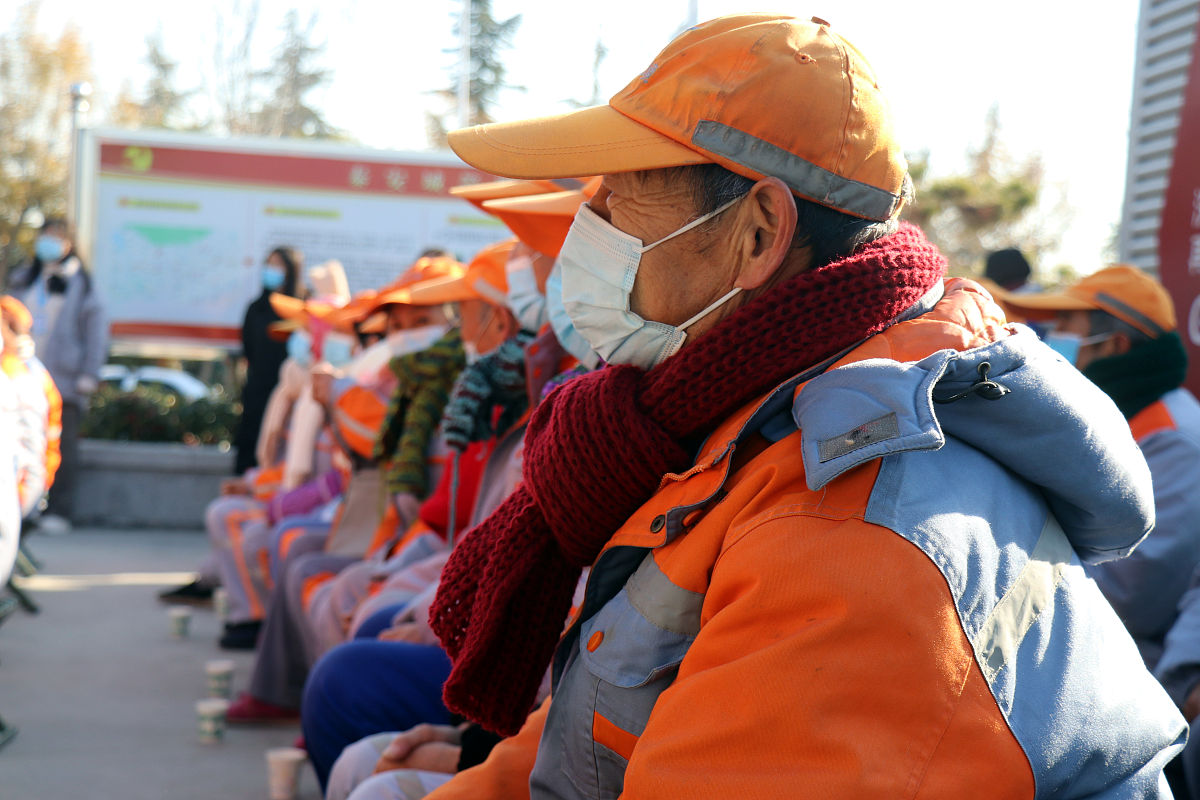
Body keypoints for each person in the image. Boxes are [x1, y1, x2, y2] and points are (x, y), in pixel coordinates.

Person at [417, 14, 1183, 799]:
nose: (590, 228)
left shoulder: (843, 528)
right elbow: (606, 726)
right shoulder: (750, 417)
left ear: (758, 234)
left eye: (620, 198)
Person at [1002, 266, 1200, 795]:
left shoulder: (1173, 439)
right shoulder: (1123, 417)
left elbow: (1134, 594)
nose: (1052, 342)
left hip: (1135, 698)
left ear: (1113, 344)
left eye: (1066, 326)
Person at [7, 217, 106, 533]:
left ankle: (57, 509)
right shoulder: (23, 279)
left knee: (59, 447)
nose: (48, 242)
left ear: (69, 243)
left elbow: (96, 334)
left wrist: (89, 373)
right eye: (45, 235)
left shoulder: (83, 285)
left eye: (56, 237)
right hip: (20, 379)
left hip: (63, 381)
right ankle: (19, 507)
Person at [233, 246, 304, 476]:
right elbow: (248, 349)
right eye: (269, 264)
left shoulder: (302, 308)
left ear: (291, 270)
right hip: (258, 390)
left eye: (278, 264)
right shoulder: (256, 309)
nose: (272, 269)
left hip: (291, 392)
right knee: (251, 446)